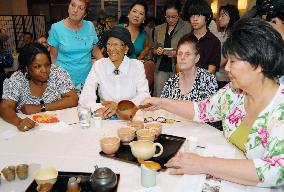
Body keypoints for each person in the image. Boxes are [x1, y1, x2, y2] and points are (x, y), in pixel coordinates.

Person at [142, 18, 284, 188]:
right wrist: (161, 102)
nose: (227, 68)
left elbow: (276, 171)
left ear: (259, 63)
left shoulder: (280, 107)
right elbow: (201, 109)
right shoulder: (234, 93)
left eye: (233, 61)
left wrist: (203, 164)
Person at [0, 43, 78, 132]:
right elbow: (5, 107)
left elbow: (73, 99)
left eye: (47, 64)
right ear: (27, 68)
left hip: (57, 127)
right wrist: (19, 122)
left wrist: (40, 108)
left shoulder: (57, 72)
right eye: (37, 66)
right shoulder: (17, 78)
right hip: (30, 131)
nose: (44, 70)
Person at [79, 26, 150, 119]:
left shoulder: (137, 66)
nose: (111, 48)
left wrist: (119, 106)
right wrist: (97, 108)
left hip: (130, 117)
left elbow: (144, 95)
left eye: (116, 44)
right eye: (108, 44)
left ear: (126, 49)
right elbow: (86, 95)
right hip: (105, 115)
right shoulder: (99, 65)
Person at [48, 0, 103, 92]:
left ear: (85, 14)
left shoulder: (89, 26)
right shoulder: (56, 28)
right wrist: (55, 78)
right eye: (73, 5)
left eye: (80, 8)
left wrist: (107, 65)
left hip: (87, 79)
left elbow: (95, 50)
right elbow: (53, 55)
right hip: (64, 80)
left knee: (86, 105)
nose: (75, 10)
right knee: (68, 105)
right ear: (68, 7)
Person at [153, 0, 192, 97]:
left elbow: (191, 48)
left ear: (179, 14)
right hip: (161, 68)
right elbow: (152, 49)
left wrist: (177, 53)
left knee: (176, 97)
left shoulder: (187, 27)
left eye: (173, 17)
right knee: (160, 96)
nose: (170, 20)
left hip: (179, 68)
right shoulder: (159, 29)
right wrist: (156, 51)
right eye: (168, 17)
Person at [161, 35, 217, 101]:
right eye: (180, 53)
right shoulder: (171, 82)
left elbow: (211, 109)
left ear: (197, 58)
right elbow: (163, 107)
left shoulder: (208, 79)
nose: (182, 57)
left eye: (187, 54)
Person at [184, 0, 221, 74]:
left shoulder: (214, 41)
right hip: (185, 81)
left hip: (205, 83)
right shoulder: (185, 40)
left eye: (199, 15)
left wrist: (198, 83)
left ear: (207, 17)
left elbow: (212, 69)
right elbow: (179, 65)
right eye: (192, 15)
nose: (194, 19)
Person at [215, 4, 240, 89]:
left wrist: (211, 66)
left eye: (223, 15)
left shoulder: (234, 35)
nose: (219, 18)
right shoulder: (220, 34)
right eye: (219, 15)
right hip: (216, 76)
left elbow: (225, 58)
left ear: (232, 17)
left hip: (224, 77)